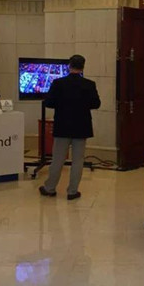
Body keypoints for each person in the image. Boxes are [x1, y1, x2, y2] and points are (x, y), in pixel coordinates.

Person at [39, 54, 100, 200]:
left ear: (69, 66)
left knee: (58, 159)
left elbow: (49, 103)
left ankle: (50, 188)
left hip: (63, 125)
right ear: (83, 67)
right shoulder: (89, 84)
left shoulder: (58, 83)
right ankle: (72, 191)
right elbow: (96, 104)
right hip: (82, 126)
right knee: (78, 160)